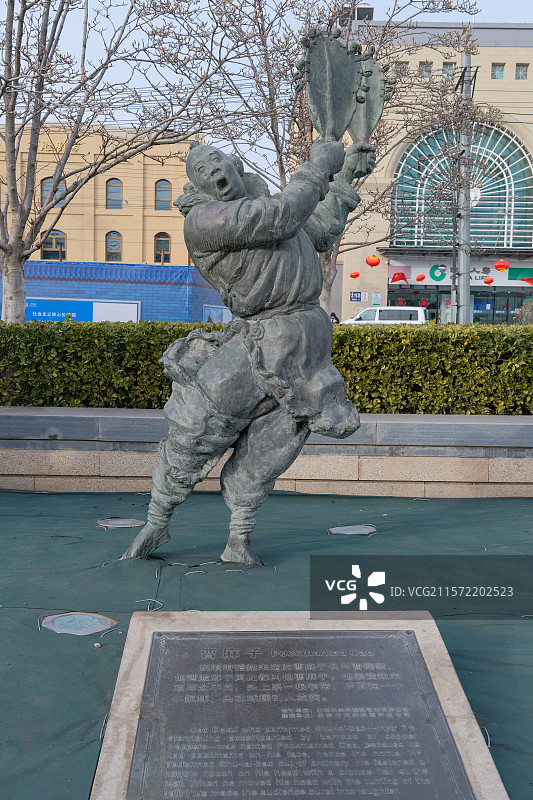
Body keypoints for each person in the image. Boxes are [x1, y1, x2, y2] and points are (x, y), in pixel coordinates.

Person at [121, 139, 373, 564]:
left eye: (217, 161)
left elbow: (318, 229)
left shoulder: (264, 202)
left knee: (273, 443)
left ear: (235, 165)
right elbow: (281, 217)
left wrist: (345, 174)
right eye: (203, 171)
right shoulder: (205, 220)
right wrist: (317, 168)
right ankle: (157, 520)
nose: (214, 172)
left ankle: (239, 539)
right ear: (199, 186)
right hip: (259, 337)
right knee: (197, 425)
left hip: (307, 343)